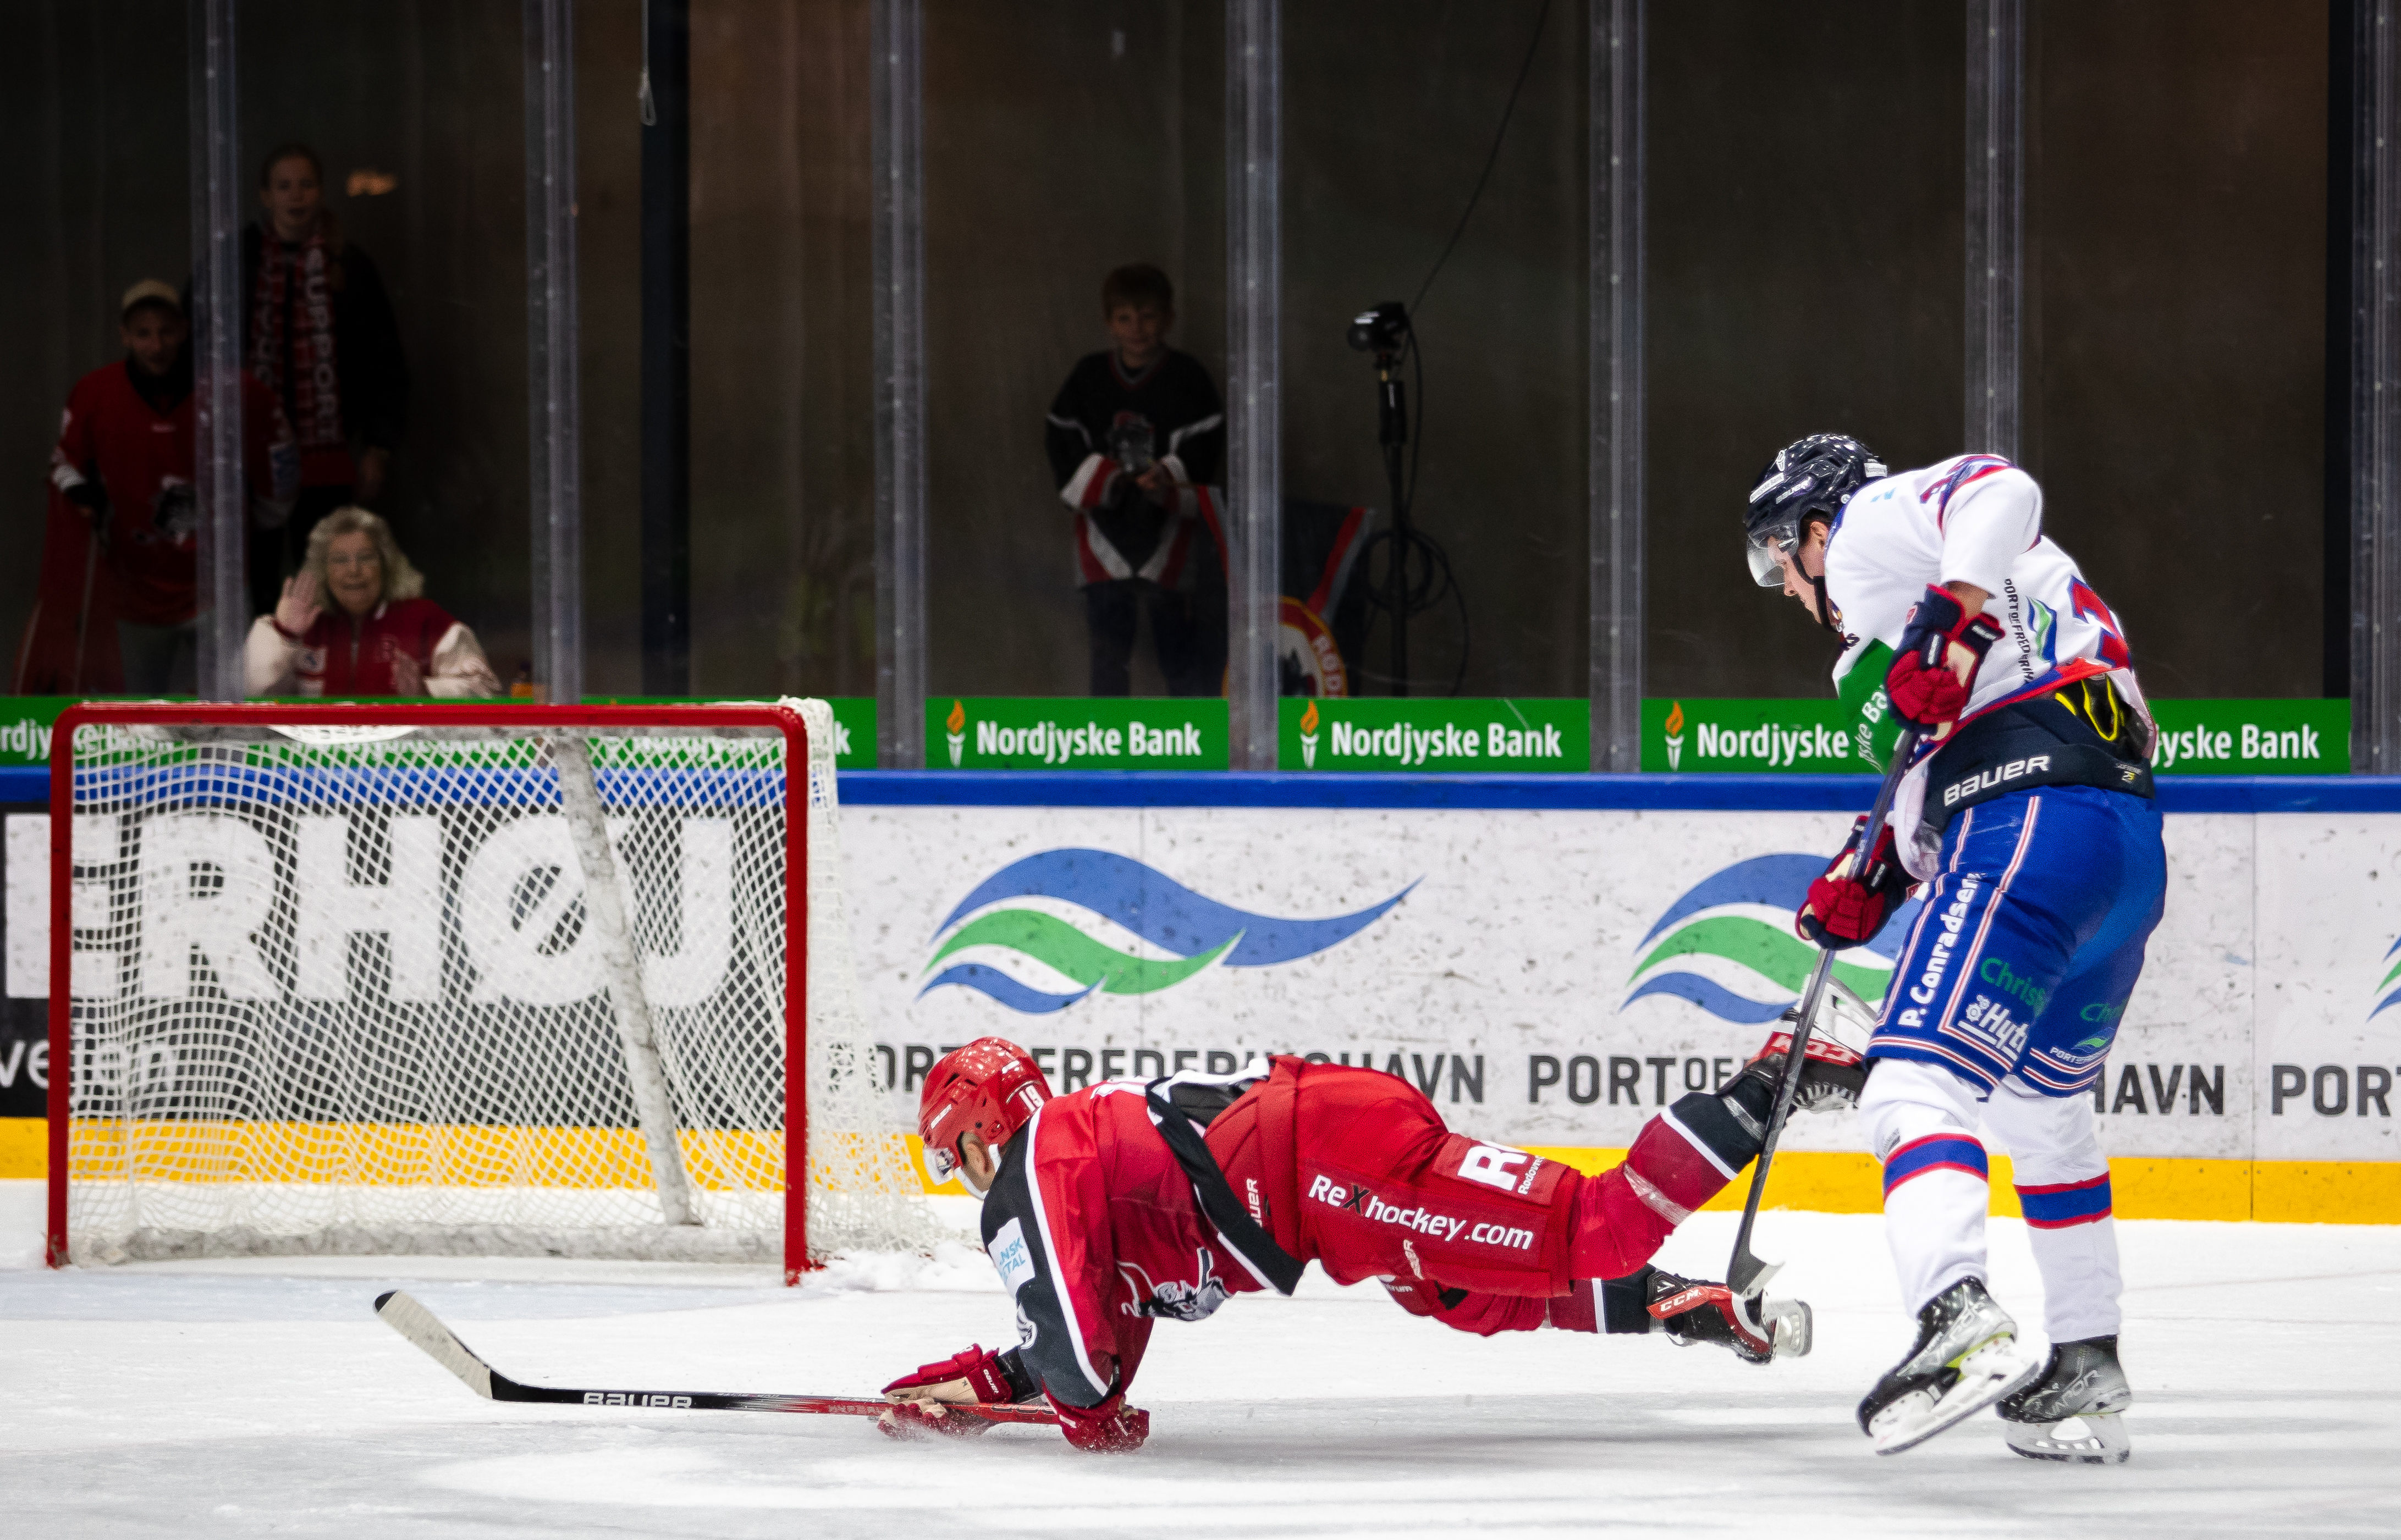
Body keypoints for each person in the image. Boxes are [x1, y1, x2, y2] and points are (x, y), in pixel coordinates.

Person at [1745, 434, 2163, 1465]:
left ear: (1809, 525)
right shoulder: (1907, 629)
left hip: (2026, 823)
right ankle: (2084, 1364)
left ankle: (1954, 1316)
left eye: (1773, 559)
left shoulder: (1868, 531)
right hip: (2119, 845)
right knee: (2043, 1109)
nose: (1786, 587)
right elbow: (1931, 770)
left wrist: (1950, 615)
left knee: (1906, 1088)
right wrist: (1869, 869)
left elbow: (2002, 482)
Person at [878, 1033, 1866, 1451]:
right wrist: (985, 1381)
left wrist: (1074, 1404)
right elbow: (1093, 1330)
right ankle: (1679, 1303)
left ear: (977, 1122)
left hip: (1323, 1165)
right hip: (1324, 1167)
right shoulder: (1079, 1159)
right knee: (1464, 1293)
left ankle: (1766, 1081)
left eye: (951, 1149)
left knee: (1595, 1226)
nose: (960, 1173)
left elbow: (1082, 1364)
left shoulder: (1034, 1164)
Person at [30, 280, 296, 693]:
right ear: (124, 336)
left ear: (185, 329)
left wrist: (258, 535)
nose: (157, 345)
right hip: (134, 594)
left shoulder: (236, 391)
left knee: (235, 716)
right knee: (139, 723)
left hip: (219, 591)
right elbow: (62, 463)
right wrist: (84, 499)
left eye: (166, 331)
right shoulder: (94, 394)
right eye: (143, 333)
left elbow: (280, 465)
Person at [192, 142, 411, 612]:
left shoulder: (350, 266)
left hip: (326, 454)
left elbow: (383, 360)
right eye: (284, 186)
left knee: (329, 577)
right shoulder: (234, 261)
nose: (296, 195)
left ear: (322, 192)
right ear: (265, 195)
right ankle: (261, 674)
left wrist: (379, 445)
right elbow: (194, 346)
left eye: (307, 184)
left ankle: (325, 680)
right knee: (256, 579)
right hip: (250, 456)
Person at [1043, 263, 1226, 696]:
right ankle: (1110, 752)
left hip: (1168, 539)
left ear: (1168, 319)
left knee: (1178, 653)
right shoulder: (1088, 377)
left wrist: (1167, 478)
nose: (1137, 328)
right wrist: (1107, 477)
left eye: (1148, 316)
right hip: (1103, 539)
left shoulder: (1187, 378)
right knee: (1109, 656)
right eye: (1125, 318)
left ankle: (1191, 748)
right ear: (1109, 323)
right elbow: (1061, 437)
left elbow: (1206, 442)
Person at [244, 505, 499, 698]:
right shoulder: (300, 626)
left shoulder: (426, 620)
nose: (354, 570)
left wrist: (427, 691)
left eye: (366, 558)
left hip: (407, 766)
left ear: (386, 566)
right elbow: (248, 695)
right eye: (340, 560)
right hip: (311, 765)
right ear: (323, 571)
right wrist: (284, 635)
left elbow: (486, 690)